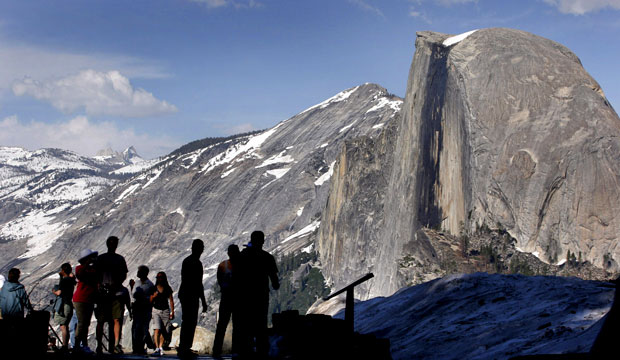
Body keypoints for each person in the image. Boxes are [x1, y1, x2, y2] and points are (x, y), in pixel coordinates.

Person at [238, 231, 279, 358]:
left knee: (246, 322)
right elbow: (274, 278)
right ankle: (261, 350)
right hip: (261, 295)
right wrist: (275, 284)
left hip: (246, 295)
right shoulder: (267, 257)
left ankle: (246, 350)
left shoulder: (243, 255)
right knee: (261, 322)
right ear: (262, 241)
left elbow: (236, 274)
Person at [96, 235, 129, 354]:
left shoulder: (101, 259)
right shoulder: (119, 259)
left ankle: (102, 345)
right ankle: (113, 344)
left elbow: (96, 275)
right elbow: (124, 274)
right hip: (113, 293)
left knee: (106, 320)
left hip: (107, 293)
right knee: (115, 320)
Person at [178, 239, 208, 358]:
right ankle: (184, 347)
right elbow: (198, 283)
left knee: (188, 321)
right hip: (191, 295)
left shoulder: (187, 261)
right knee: (190, 322)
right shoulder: (195, 263)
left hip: (186, 294)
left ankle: (184, 347)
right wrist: (203, 301)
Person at [212, 244, 241, 359]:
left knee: (222, 325)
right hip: (236, 298)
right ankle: (235, 350)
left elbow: (220, 281)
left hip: (226, 298)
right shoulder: (241, 266)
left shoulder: (222, 266)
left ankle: (217, 350)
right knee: (236, 325)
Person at [72, 249, 99, 354]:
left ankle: (84, 345)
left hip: (89, 299)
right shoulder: (80, 268)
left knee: (86, 323)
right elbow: (80, 275)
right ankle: (77, 345)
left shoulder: (94, 270)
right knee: (82, 322)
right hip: (80, 299)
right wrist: (87, 264)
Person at [52, 263, 76, 352]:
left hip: (64, 304)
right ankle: (65, 345)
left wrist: (54, 291)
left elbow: (59, 292)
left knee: (63, 326)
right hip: (69, 303)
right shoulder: (71, 280)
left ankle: (64, 345)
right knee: (65, 325)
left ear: (63, 270)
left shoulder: (65, 280)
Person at [150, 271, 175, 357]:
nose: (159, 279)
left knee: (165, 330)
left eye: (161, 277)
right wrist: (153, 297)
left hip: (165, 310)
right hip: (156, 310)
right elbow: (150, 300)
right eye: (158, 277)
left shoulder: (168, 288)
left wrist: (172, 311)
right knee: (157, 329)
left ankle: (160, 347)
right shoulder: (154, 288)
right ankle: (157, 348)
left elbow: (171, 300)